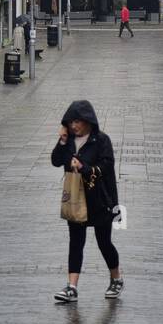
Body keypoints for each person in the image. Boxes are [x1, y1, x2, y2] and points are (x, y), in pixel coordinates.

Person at [51, 100, 123, 302]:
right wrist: (63, 141)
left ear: (88, 121)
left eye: (77, 122)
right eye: (70, 122)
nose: (74, 126)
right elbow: (56, 160)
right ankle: (71, 287)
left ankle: (116, 278)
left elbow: (106, 166)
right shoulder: (69, 140)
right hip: (76, 199)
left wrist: (84, 167)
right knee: (76, 242)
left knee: (104, 242)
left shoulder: (101, 140)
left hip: (100, 200)